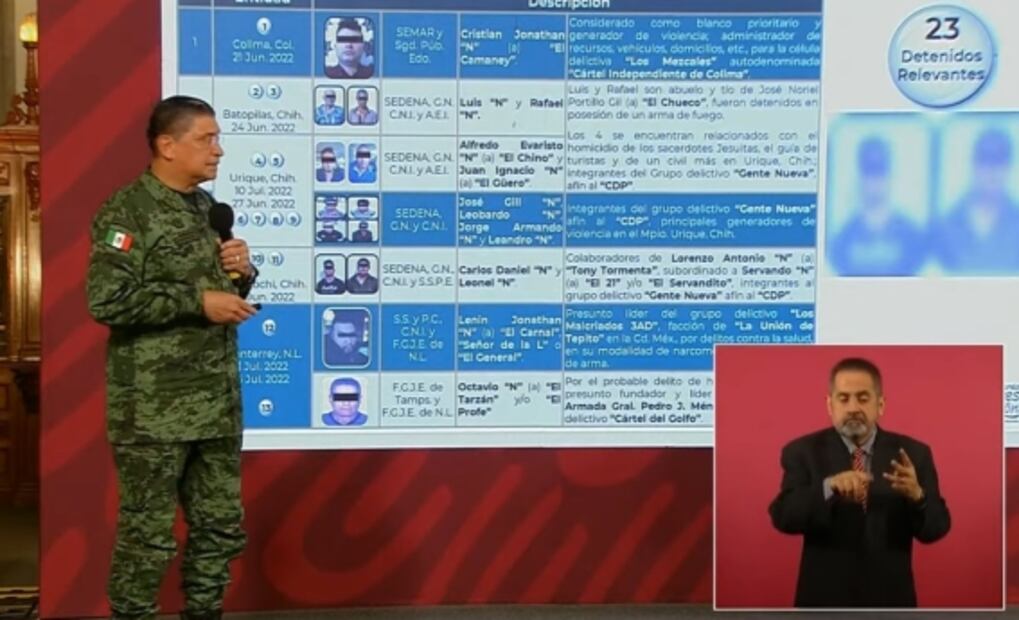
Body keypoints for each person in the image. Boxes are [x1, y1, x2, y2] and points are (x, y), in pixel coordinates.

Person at [85, 96, 259, 620]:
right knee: (148, 539)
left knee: (220, 529)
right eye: (206, 139)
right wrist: (198, 302)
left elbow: (218, 289)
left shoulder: (207, 209)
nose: (218, 150)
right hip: (154, 411)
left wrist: (242, 272)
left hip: (216, 404)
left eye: (217, 138)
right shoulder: (127, 211)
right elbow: (108, 300)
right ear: (167, 145)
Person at [768, 357, 951, 608]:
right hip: (822, 602)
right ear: (830, 405)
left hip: (891, 602)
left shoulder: (914, 454)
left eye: (863, 398)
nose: (853, 407)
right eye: (843, 398)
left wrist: (918, 497)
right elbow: (784, 517)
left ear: (880, 404)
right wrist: (828, 487)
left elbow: (936, 529)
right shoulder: (802, 452)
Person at [827, 137, 926, 276]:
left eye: (880, 172)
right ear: (859, 177)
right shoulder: (843, 240)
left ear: (890, 176)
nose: (874, 181)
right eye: (869, 172)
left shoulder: (912, 236)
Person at [931, 127, 1019, 274]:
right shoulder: (946, 226)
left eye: (999, 162)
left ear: (1009, 167)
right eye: (985, 161)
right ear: (974, 165)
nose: (992, 171)